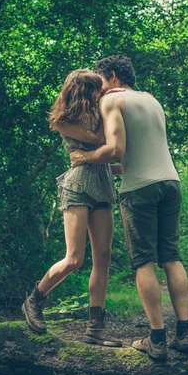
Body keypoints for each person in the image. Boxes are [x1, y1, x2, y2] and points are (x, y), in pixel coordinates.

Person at [70, 55, 188, 360]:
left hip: (139, 191)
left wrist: (84, 158)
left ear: (111, 76)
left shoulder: (112, 101)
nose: (97, 90)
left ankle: (157, 339)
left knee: (144, 262)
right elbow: (137, 157)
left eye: (99, 81)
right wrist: (108, 169)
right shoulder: (151, 100)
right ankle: (184, 334)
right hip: (170, 183)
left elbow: (116, 150)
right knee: (172, 258)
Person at [21, 69, 122, 348]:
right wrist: (115, 108)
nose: (102, 93)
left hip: (103, 184)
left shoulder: (104, 112)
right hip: (77, 187)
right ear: (84, 91)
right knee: (74, 258)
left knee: (103, 257)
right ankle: (34, 301)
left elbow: (112, 145)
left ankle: (95, 328)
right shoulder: (64, 120)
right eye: (97, 90)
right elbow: (99, 137)